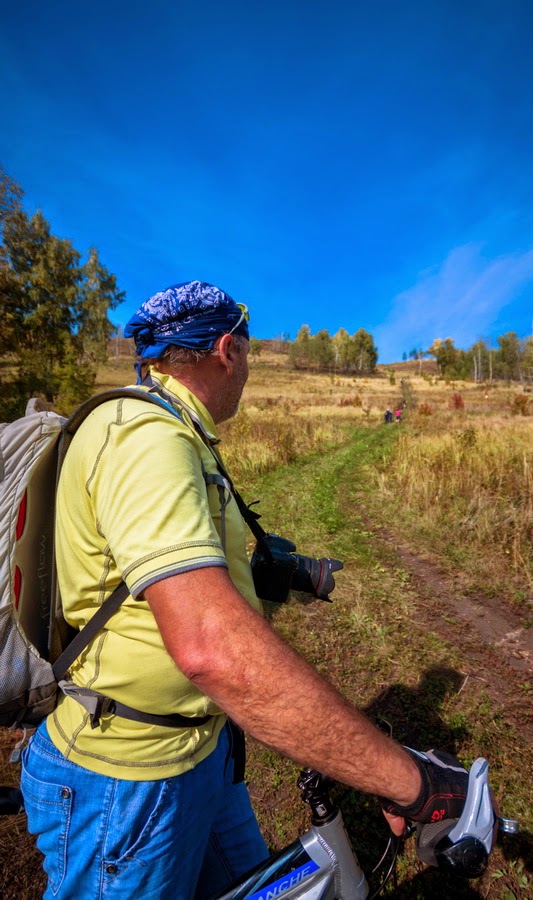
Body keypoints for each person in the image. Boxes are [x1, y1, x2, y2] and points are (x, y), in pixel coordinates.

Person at [21, 280, 468, 899]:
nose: (250, 371)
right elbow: (212, 647)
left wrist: (270, 577)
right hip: (129, 783)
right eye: (250, 355)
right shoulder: (146, 439)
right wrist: (409, 783)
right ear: (227, 348)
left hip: (200, 754)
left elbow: (153, 579)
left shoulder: (177, 430)